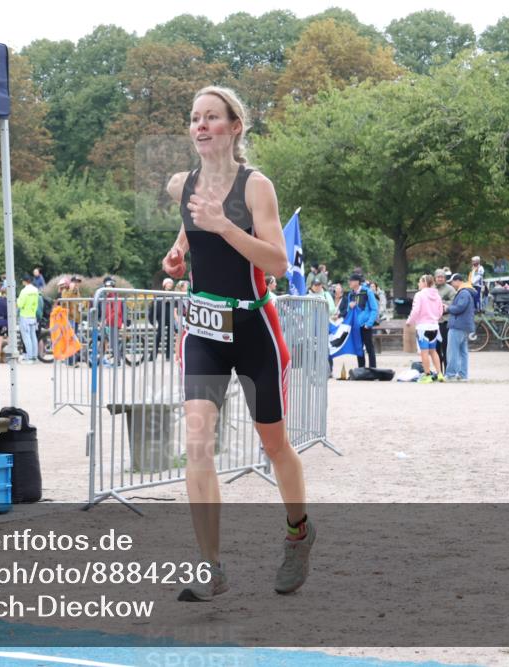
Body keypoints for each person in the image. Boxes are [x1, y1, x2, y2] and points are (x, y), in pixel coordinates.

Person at [161, 85, 312, 601]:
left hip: (253, 330)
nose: (201, 126)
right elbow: (187, 238)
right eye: (195, 118)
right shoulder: (184, 184)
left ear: (235, 127)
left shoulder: (255, 187)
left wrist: (225, 226)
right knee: (197, 443)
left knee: (274, 443)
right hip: (204, 329)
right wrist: (177, 258)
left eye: (212, 118)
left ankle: (298, 532)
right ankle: (210, 567)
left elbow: (278, 263)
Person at [406, 274, 444, 383]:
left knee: (424, 352)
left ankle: (427, 375)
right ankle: (440, 374)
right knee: (433, 351)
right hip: (434, 327)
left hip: (423, 327)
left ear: (425, 283)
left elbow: (416, 310)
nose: (418, 283)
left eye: (419, 281)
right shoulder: (437, 295)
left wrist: (410, 321)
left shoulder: (419, 295)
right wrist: (434, 318)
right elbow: (441, 311)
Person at [338, 273, 379, 368]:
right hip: (355, 326)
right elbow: (349, 311)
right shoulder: (350, 294)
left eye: (351, 281)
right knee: (358, 348)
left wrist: (369, 323)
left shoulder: (367, 292)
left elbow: (374, 309)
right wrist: (350, 306)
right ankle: (361, 369)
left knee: (370, 348)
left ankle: (373, 368)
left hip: (365, 325)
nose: (349, 283)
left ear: (357, 282)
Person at [445, 273, 475, 381]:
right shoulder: (467, 292)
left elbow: (459, 308)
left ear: (458, 281)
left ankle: (451, 374)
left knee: (453, 351)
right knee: (463, 352)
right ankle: (463, 374)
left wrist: (448, 308)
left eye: (452, 282)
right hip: (464, 326)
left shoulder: (464, 293)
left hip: (458, 325)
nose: (452, 285)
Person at [434, 269, 456, 373]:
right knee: (436, 348)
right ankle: (439, 372)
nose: (440, 279)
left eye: (442, 277)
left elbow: (454, 302)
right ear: (435, 278)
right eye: (438, 277)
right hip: (434, 322)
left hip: (445, 321)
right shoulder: (431, 288)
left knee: (446, 347)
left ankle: (448, 371)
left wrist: (441, 302)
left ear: (445, 278)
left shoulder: (450, 289)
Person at [150, 277, 176, 360]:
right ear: (164, 284)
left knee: (170, 337)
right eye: (168, 283)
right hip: (162, 317)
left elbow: (176, 305)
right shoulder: (160, 293)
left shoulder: (173, 294)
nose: (170, 285)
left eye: (171, 283)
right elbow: (156, 306)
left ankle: (168, 356)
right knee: (158, 336)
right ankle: (153, 356)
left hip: (170, 316)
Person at [17, 275, 41, 363]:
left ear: (25, 281)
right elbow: (36, 303)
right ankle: (34, 356)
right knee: (33, 336)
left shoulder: (24, 291)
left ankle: (29, 357)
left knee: (26, 338)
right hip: (32, 315)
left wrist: (18, 301)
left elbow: (20, 304)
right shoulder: (35, 290)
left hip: (25, 316)